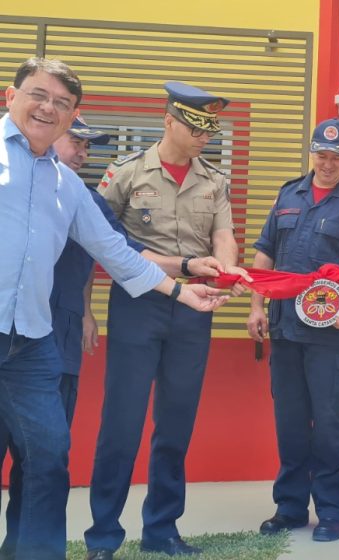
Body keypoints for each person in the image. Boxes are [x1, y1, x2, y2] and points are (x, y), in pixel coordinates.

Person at [0, 57, 227, 560]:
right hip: (51, 326)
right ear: (9, 95)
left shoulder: (65, 185)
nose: (49, 109)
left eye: (63, 103)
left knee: (48, 460)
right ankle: (92, 538)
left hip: (32, 340)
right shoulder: (116, 173)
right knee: (84, 441)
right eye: (39, 95)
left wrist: (180, 288)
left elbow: (117, 250)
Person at [84, 82, 249, 560]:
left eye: (209, 130)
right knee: (122, 423)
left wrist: (226, 269)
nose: (204, 138)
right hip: (137, 306)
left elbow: (224, 235)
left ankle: (161, 530)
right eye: (196, 128)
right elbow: (97, 242)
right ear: (170, 121)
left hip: (194, 307)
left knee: (175, 424)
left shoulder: (214, 180)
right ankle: (102, 537)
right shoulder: (127, 173)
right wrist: (90, 309)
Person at [0, 116, 146, 559]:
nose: (84, 152)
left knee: (43, 463)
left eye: (88, 146)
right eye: (76, 141)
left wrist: (86, 311)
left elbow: (119, 251)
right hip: (13, 334)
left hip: (53, 347)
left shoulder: (81, 196)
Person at [247, 118, 339, 543]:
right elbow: (264, 254)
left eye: (335, 157)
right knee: (289, 424)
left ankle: (334, 512)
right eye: (320, 155)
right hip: (285, 331)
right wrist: (256, 307)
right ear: (312, 153)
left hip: (330, 338)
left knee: (331, 426)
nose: (327, 164)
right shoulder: (289, 194)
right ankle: (289, 508)